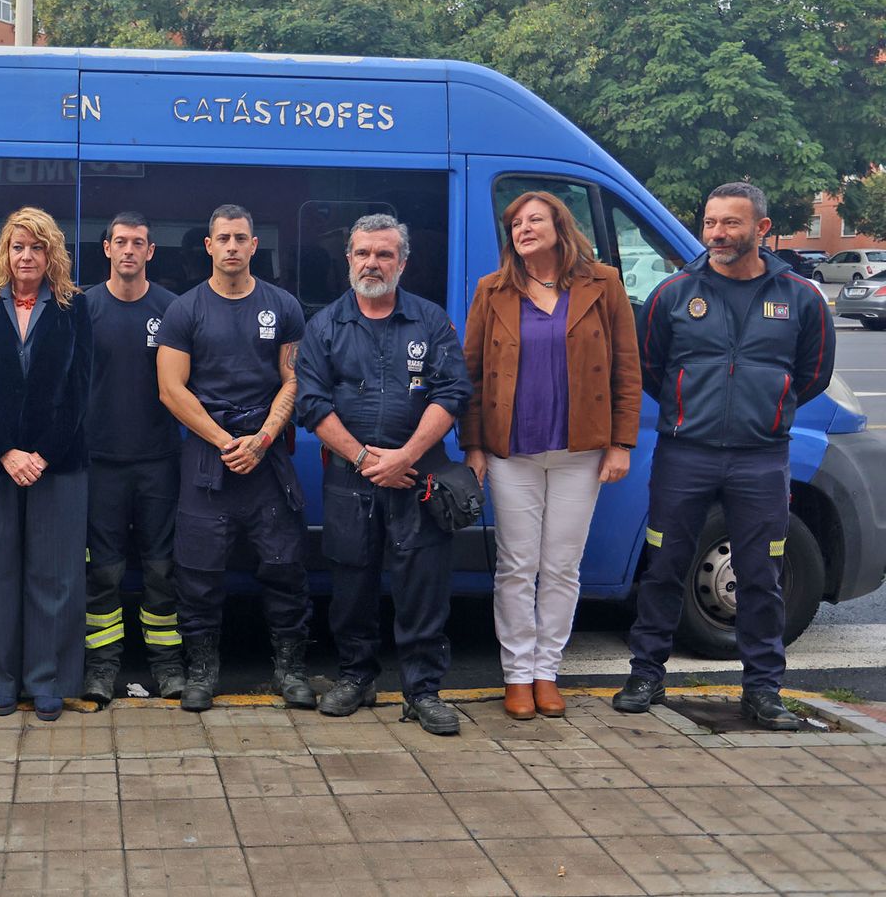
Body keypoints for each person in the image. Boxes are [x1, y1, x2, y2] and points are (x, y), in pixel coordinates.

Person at [616, 182, 834, 730]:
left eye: (731, 223)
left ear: (761, 228)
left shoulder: (801, 298)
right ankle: (646, 675)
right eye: (710, 222)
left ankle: (762, 690)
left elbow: (812, 374)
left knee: (761, 575)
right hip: (684, 455)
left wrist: (768, 409)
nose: (717, 233)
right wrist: (690, 409)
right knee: (664, 566)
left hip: (761, 459)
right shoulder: (674, 293)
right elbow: (651, 367)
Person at [461, 192, 642, 720]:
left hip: (579, 451)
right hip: (511, 451)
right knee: (517, 565)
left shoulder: (603, 283)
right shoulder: (492, 289)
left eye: (534, 219)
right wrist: (473, 445)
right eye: (516, 223)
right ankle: (517, 674)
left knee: (562, 566)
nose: (523, 228)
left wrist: (621, 443)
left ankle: (548, 671)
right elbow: (471, 374)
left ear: (560, 227)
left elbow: (625, 367)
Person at [297, 214, 472, 735]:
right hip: (350, 482)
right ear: (348, 259)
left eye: (384, 254)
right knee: (352, 588)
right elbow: (311, 403)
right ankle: (356, 677)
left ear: (403, 263)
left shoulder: (431, 322)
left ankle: (423, 691)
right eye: (363, 253)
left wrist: (405, 457)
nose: (372, 263)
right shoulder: (324, 326)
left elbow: (452, 393)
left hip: (417, 479)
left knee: (423, 589)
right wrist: (367, 461)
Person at [156, 204, 312, 713]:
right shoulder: (185, 310)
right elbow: (170, 389)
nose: (231, 246)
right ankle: (202, 672)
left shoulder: (283, 305)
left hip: (267, 457)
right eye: (222, 238)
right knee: (197, 573)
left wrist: (262, 439)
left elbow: (294, 379)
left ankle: (290, 671)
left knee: (285, 567)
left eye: (240, 237)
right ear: (208, 245)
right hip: (209, 458)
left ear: (254, 245)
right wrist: (227, 441)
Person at [0, 207, 92, 721]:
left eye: (38, 247)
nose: (27, 256)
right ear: (5, 253)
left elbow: (79, 392)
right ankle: (2, 681)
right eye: (18, 247)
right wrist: (6, 452)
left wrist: (41, 454)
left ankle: (48, 681)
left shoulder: (74, 308)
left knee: (54, 576)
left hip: (57, 464)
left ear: (52, 253)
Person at [81, 212, 184, 704]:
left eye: (138, 242)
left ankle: (168, 666)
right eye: (119, 241)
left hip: (158, 461)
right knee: (103, 572)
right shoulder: (83, 307)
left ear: (150, 251)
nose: (128, 250)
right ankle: (102, 668)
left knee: (162, 569)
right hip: (99, 461)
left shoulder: (172, 309)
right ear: (106, 248)